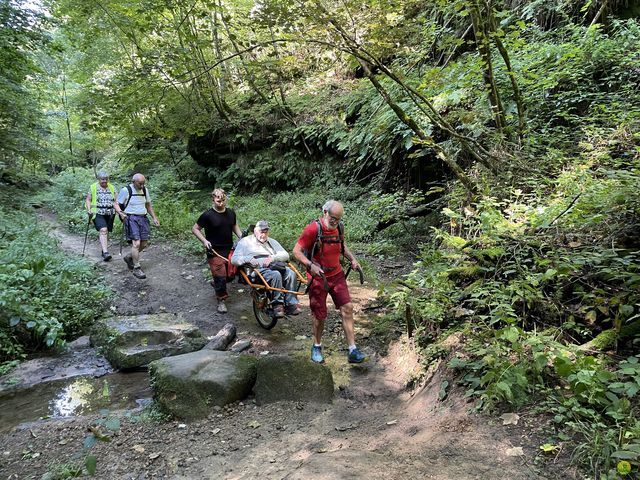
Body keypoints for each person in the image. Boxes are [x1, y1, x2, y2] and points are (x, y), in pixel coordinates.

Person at [293, 200, 367, 364]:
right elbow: (296, 251)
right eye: (333, 217)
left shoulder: (339, 228)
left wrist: (353, 259)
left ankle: (353, 350)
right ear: (325, 212)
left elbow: (342, 246)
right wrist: (310, 265)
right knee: (320, 315)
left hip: (337, 274)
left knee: (347, 308)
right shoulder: (313, 229)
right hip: (318, 277)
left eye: (338, 219)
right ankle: (317, 346)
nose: (335, 221)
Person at [231, 221, 302, 318]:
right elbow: (234, 259)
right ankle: (278, 305)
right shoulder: (245, 242)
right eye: (261, 232)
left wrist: (273, 258)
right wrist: (248, 259)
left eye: (266, 232)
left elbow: (285, 254)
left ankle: (291, 303)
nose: (263, 234)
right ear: (255, 231)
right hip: (255, 270)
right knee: (275, 274)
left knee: (290, 273)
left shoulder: (271, 241)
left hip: (272, 265)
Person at [192, 188, 242, 313]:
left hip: (230, 249)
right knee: (220, 276)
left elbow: (234, 226)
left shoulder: (231, 213)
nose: (221, 202)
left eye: (223, 199)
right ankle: (221, 301)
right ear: (213, 199)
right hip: (214, 251)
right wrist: (204, 241)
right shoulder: (207, 215)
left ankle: (217, 284)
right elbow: (195, 229)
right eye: (218, 199)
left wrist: (242, 237)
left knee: (230, 275)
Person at [117, 173, 160, 280]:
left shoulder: (145, 190)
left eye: (143, 183)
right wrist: (121, 213)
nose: (142, 186)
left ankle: (129, 257)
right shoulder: (126, 190)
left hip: (143, 218)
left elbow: (148, 205)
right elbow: (116, 203)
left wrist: (154, 218)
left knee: (144, 243)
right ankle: (137, 267)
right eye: (140, 183)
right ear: (133, 182)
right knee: (136, 243)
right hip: (131, 218)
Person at [85, 171, 121, 261]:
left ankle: (104, 249)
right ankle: (105, 252)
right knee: (103, 230)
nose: (104, 181)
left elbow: (117, 200)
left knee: (106, 231)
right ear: (98, 179)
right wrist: (89, 210)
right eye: (102, 179)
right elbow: (88, 200)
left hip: (110, 213)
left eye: (106, 179)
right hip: (97, 212)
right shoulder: (93, 187)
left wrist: (120, 211)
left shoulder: (112, 187)